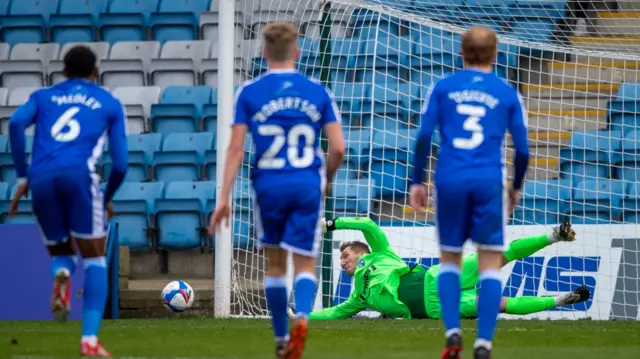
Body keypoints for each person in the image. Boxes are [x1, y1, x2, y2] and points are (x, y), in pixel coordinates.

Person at [208, 21, 345, 359]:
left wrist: (223, 197)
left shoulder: (249, 92)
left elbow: (235, 149)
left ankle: (283, 340)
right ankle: (303, 317)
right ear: (297, 50)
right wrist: (325, 178)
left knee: (274, 265)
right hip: (306, 183)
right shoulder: (317, 91)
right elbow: (339, 148)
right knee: (305, 265)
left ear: (264, 52)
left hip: (268, 184)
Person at [409, 26, 530, 359]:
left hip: (449, 178)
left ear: (461, 54)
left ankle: (452, 333)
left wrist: (416, 181)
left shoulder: (443, 87)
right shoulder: (506, 92)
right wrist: (516, 186)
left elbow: (422, 136)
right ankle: (484, 343)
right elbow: (522, 149)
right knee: (490, 264)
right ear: (495, 54)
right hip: (488, 181)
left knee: (450, 260)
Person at [8, 45, 128, 357]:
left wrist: (23, 178)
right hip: (79, 177)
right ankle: (89, 340)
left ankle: (61, 275)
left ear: (62, 70)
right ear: (95, 71)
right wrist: (106, 197)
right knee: (95, 258)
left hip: (41, 179)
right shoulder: (109, 102)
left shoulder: (43, 97)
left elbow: (16, 124)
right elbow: (120, 165)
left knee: (61, 253)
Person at [298, 217, 589, 321]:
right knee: (499, 305)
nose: (343, 261)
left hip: (437, 279)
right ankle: (562, 299)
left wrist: (333, 224)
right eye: (341, 259)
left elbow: (368, 224)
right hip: (438, 309)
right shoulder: (357, 298)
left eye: (346, 254)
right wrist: (304, 316)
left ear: (363, 251)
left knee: (498, 255)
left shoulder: (380, 253)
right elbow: (333, 313)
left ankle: (554, 235)